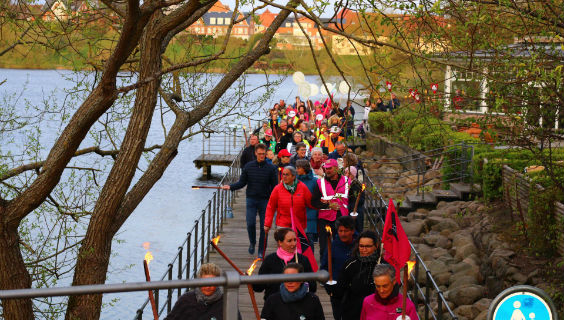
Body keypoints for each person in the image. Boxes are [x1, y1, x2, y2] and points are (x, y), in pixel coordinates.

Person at [223, 144, 278, 258]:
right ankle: (252, 242)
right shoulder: (248, 166)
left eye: (263, 154)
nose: (262, 156)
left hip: (265, 200)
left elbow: (275, 187)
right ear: (255, 153)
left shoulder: (271, 168)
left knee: (265, 227)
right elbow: (242, 183)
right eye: (259, 154)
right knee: (250, 223)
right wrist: (231, 186)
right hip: (251, 199)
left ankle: (261, 251)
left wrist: (276, 202)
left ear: (266, 154)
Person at [328, 231, 384, 320]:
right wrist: (331, 288)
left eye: (368, 246)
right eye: (361, 246)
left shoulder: (383, 266)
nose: (364, 249)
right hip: (354, 313)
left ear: (376, 246)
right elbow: (339, 291)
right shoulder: (350, 264)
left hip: (378, 313)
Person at [253, 228, 317, 301]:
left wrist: (301, 280)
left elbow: (313, 287)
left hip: (298, 304)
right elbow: (259, 287)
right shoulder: (270, 260)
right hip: (275, 305)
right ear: (280, 242)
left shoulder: (302, 260)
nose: (294, 243)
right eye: (289, 241)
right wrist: (250, 280)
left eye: (295, 240)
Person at [165, 263, 241, 320]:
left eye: (212, 283)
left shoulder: (226, 303)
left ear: (218, 283)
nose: (208, 287)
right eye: (205, 283)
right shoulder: (186, 300)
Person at [311, 159, 350, 260]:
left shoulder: (347, 181)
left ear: (337, 168)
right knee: (324, 246)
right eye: (325, 168)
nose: (327, 170)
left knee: (342, 244)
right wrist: (328, 205)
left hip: (342, 218)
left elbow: (356, 199)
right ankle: (324, 268)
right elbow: (314, 202)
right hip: (325, 219)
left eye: (329, 168)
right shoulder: (320, 183)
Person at [320, 216, 357, 320]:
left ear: (352, 231)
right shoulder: (332, 246)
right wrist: (328, 287)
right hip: (337, 291)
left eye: (346, 231)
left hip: (356, 290)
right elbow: (324, 267)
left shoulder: (360, 245)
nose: (343, 234)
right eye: (340, 231)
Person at [265, 166, 312, 233]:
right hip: (283, 224)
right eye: (283, 174)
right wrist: (267, 224)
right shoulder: (277, 189)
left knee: (300, 243)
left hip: (299, 224)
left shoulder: (302, 187)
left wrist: (323, 204)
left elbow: (311, 203)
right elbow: (270, 207)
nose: (284, 176)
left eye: (287, 174)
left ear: (293, 176)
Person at [296, 159, 318, 248]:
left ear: (304, 168)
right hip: (297, 215)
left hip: (310, 215)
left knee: (309, 241)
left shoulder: (315, 181)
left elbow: (317, 198)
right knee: (297, 241)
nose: (296, 170)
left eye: (298, 168)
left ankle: (310, 260)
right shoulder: (294, 181)